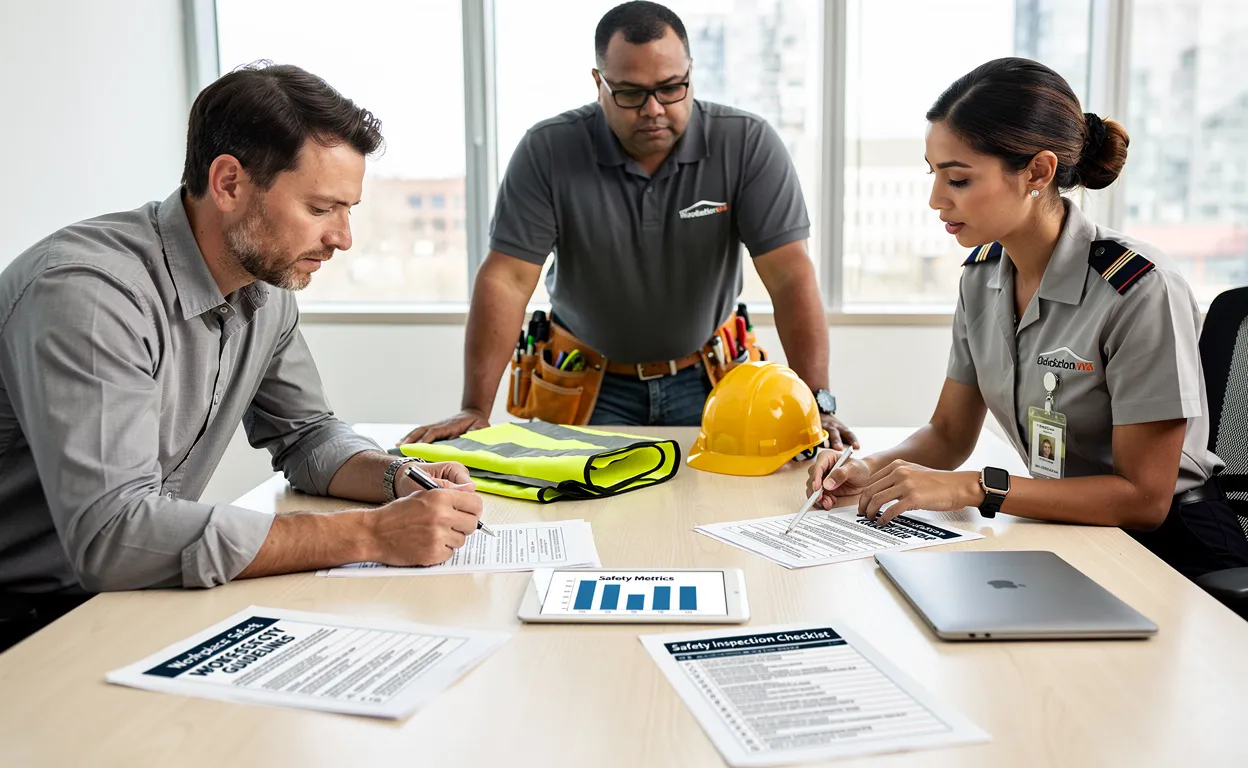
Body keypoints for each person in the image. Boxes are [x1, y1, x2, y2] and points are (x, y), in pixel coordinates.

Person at [0, 64, 483, 620]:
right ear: (229, 183)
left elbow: (307, 435)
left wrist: (398, 478)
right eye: (319, 209)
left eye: (347, 211)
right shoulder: (89, 294)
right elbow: (114, 534)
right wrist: (370, 534)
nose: (342, 239)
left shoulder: (265, 288)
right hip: (28, 616)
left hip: (129, 596)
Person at [806, 57, 1248, 581]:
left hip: (1172, 550)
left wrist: (976, 487)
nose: (935, 199)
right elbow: (948, 433)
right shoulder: (981, 278)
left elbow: (1144, 500)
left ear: (1038, 172)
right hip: (1063, 533)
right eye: (934, 174)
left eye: (958, 179)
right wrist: (868, 469)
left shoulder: (1139, 289)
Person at [403, 1, 857, 450]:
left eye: (671, 88)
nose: (653, 109)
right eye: (631, 93)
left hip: (711, 377)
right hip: (585, 382)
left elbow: (789, 275)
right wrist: (474, 408)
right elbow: (508, 279)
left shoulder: (747, 144)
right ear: (599, 83)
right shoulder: (548, 150)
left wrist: (819, 403)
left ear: (691, 72)